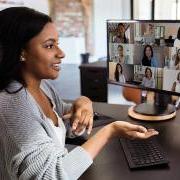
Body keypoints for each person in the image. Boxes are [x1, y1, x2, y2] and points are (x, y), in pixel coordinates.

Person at [0, 7, 158, 180]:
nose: (61, 53)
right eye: (49, 46)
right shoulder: (12, 104)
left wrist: (83, 101)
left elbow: (62, 122)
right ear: (21, 52)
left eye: (57, 44)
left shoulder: (42, 87)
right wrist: (109, 132)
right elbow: (53, 175)